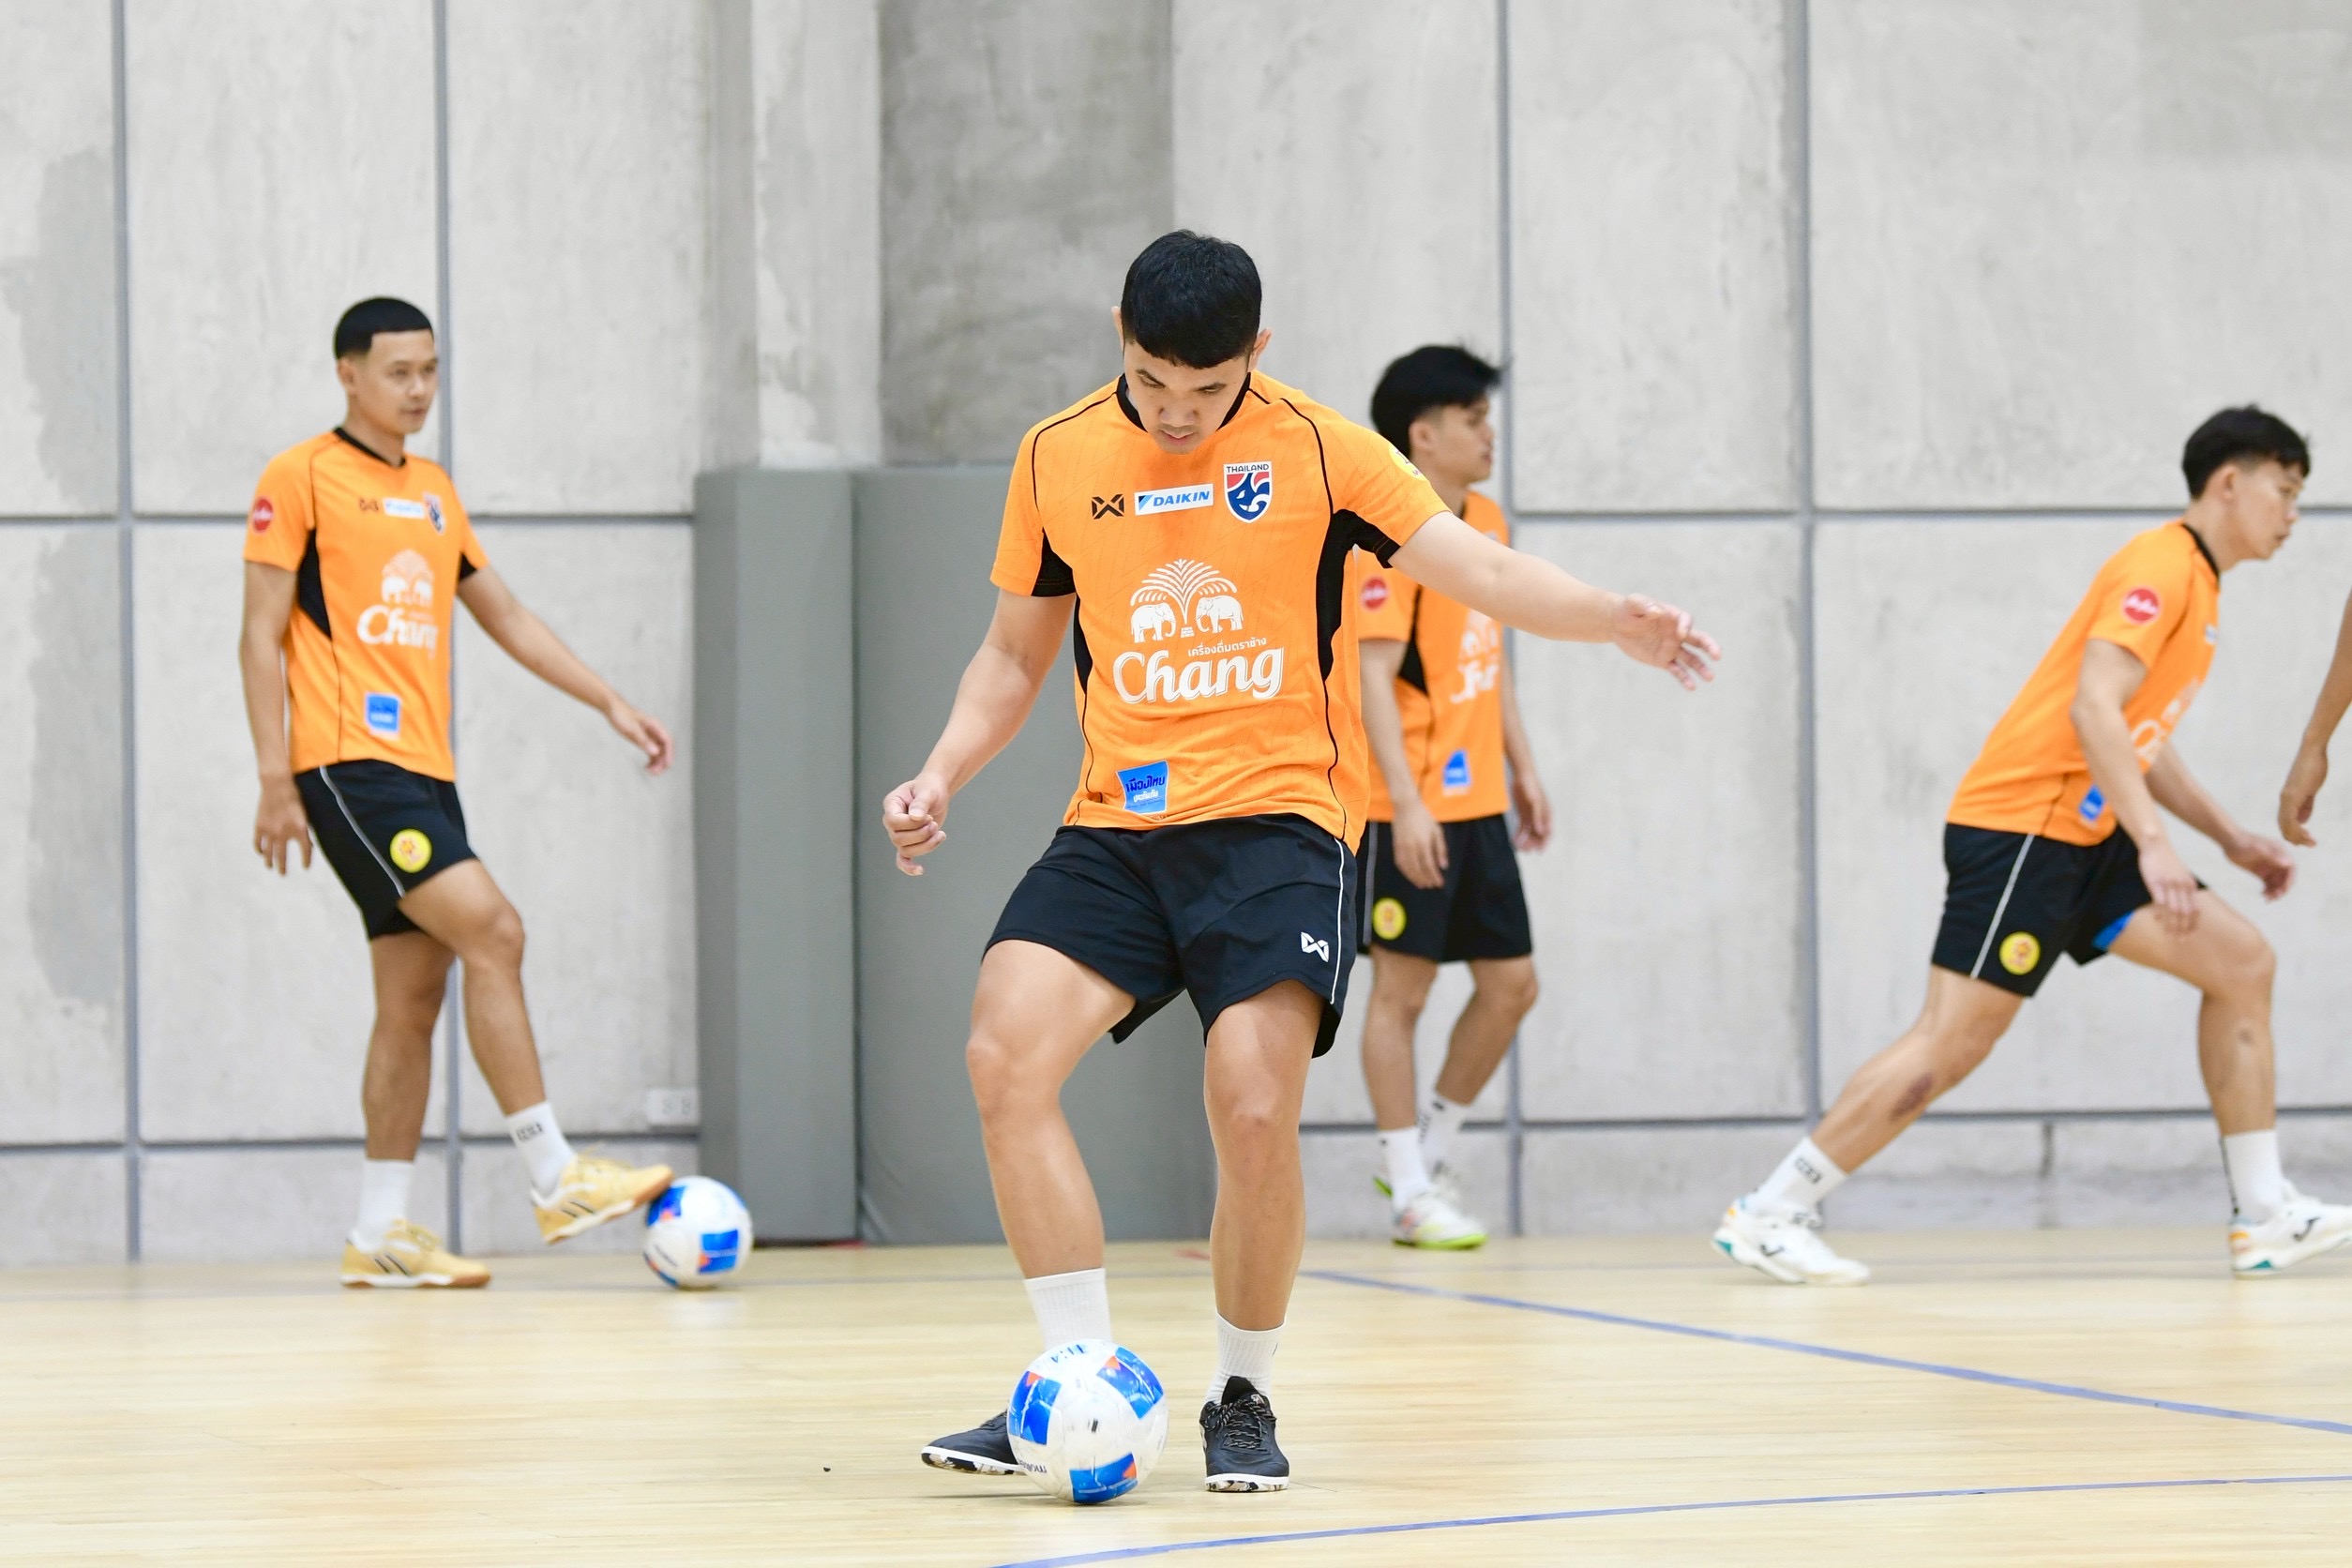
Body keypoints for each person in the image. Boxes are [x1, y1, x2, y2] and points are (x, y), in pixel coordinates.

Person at [884, 232, 1716, 1490]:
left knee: (1253, 1104)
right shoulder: (1057, 454)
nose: (1175, 413)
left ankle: (1242, 1393)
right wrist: (943, 770)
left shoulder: (1324, 451)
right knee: (1004, 1056)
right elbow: (1012, 655)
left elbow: (1476, 566)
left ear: (1257, 355)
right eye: (1151, 382)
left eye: (1206, 391)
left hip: (1281, 821)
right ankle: (1076, 1384)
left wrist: (1612, 620)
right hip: (1119, 823)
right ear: (1120, 335)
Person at [1714, 406, 2350, 1284]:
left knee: (2241, 964)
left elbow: (2137, 736)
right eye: (2285, 491)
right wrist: (2156, 844)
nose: (2293, 515)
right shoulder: (2160, 567)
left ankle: (2265, 1214)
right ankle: (1772, 1211)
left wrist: (2230, 838)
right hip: (2028, 830)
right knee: (1953, 1043)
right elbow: (2093, 708)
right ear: (2230, 483)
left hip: (2086, 835)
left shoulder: (2200, 587)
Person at [239, 297, 678, 1289]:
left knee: (412, 996)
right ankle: (555, 1175)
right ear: (348, 373)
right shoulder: (300, 477)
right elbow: (258, 634)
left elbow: (505, 614)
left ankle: (379, 1231)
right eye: (398, 372)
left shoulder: (434, 490)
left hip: (427, 774)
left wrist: (609, 700)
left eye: (430, 370)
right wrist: (275, 777)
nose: (418, 389)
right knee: (496, 930)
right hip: (349, 766)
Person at [1351, 346, 1547, 1249]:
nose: (1488, 434)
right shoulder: (1387, 538)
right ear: (1422, 435)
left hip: (1477, 806)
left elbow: (1486, 659)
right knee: (1403, 992)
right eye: (1473, 420)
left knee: (1512, 986)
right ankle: (1408, 1191)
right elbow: (1373, 678)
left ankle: (1426, 1156)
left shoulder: (1487, 521)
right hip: (1407, 808)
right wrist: (1406, 805)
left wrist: (1523, 768)